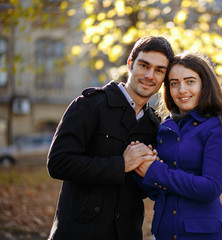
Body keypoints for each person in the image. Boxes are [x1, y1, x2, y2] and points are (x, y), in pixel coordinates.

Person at [46, 35, 174, 240]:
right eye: (144, 65)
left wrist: (151, 173)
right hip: (79, 232)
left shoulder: (155, 125)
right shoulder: (89, 105)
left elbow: (142, 191)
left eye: (159, 70)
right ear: (130, 64)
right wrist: (121, 164)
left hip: (127, 233)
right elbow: (58, 163)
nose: (150, 75)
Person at [135, 52, 222, 240]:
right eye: (174, 83)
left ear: (204, 84)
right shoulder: (165, 127)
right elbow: (158, 191)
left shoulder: (219, 126)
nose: (181, 89)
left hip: (203, 234)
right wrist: (138, 164)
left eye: (190, 81)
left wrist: (154, 170)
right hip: (165, 232)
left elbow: (210, 188)